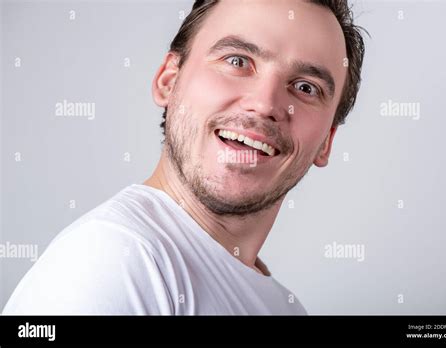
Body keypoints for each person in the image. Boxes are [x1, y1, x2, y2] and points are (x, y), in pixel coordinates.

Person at [3, 0, 366, 315]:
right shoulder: (113, 260)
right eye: (238, 61)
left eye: (305, 87)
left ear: (326, 143)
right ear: (168, 81)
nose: (266, 103)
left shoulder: (286, 308)